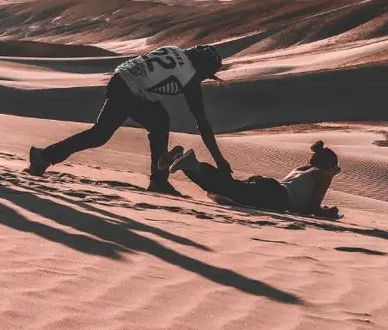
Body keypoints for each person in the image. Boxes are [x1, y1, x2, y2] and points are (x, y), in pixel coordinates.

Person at [27, 44, 231, 195]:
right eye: (206, 75)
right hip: (130, 90)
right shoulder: (189, 74)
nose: (203, 79)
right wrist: (220, 161)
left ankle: (43, 156)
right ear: (202, 68)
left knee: (101, 134)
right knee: (159, 121)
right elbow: (201, 121)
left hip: (121, 79)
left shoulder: (174, 49)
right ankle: (159, 180)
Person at [161, 141, 342, 218]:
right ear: (330, 166)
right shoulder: (323, 175)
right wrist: (327, 212)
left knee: (226, 187)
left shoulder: (302, 170)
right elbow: (312, 208)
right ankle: (192, 164)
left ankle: (183, 162)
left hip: (270, 187)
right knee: (227, 189)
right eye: (335, 168)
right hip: (277, 197)